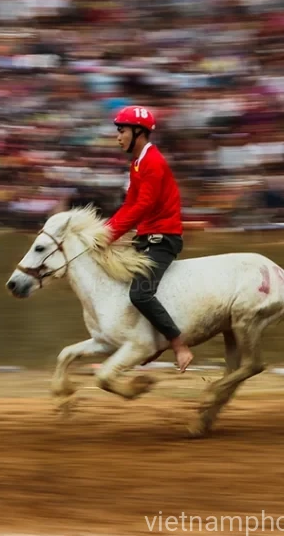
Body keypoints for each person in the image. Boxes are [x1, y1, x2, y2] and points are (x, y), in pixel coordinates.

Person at [103, 105, 194, 373]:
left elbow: (143, 206)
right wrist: (103, 233)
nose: (118, 137)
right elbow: (129, 205)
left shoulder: (153, 162)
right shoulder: (137, 163)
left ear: (138, 132)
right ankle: (137, 346)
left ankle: (179, 345)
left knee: (140, 294)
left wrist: (109, 235)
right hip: (146, 236)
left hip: (163, 239)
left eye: (122, 131)